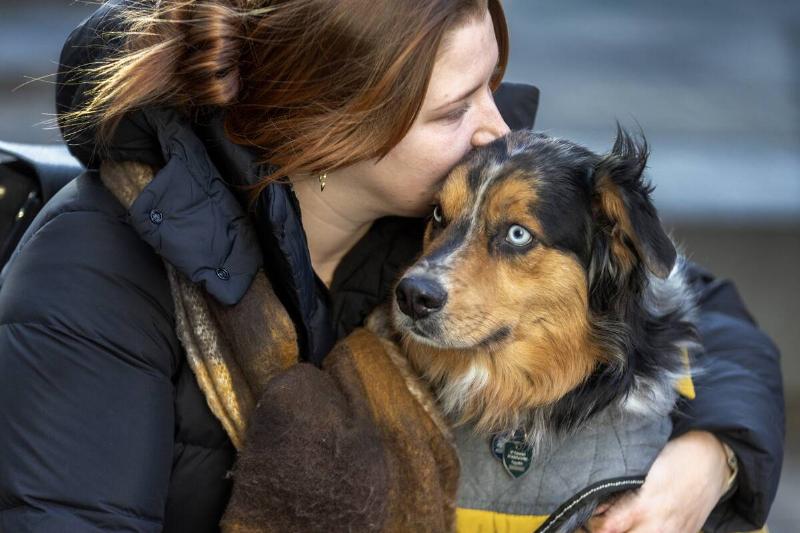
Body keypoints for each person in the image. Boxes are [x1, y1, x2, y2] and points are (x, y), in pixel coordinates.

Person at [0, 0, 783, 531]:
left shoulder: (438, 202)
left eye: (492, 87)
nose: (495, 130)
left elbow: (696, 304)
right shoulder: (92, 278)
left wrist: (711, 458)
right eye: (455, 107)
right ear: (339, 122)